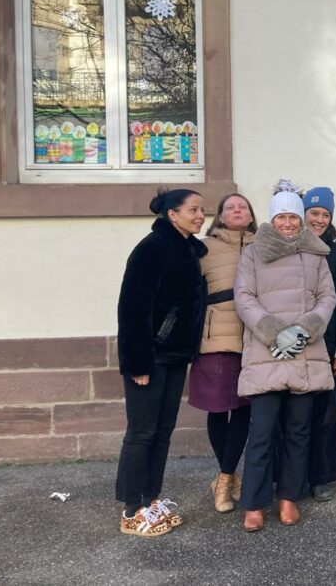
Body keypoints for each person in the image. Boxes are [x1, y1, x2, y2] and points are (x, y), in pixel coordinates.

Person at [235, 180, 336, 531]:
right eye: (282, 217)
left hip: (304, 352)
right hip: (267, 352)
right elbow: (244, 297)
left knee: (298, 430)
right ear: (272, 219)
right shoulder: (252, 252)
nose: (289, 223)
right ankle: (254, 502)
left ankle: (289, 497)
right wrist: (275, 332)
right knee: (262, 431)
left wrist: (303, 330)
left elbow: (327, 298)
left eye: (294, 217)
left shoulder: (316, 253)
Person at [115, 188, 207, 537]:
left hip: (175, 356)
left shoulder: (188, 250)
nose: (200, 215)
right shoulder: (152, 249)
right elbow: (132, 309)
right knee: (142, 432)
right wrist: (137, 362)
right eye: (193, 210)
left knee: (163, 432)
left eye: (202, 209)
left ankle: (151, 499)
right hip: (149, 358)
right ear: (172, 214)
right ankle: (130, 510)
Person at [189, 193, 257, 513]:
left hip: (254, 340)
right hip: (215, 338)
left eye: (242, 206)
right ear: (220, 216)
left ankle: (224, 479)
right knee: (218, 410)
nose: (237, 210)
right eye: (230, 207)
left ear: (251, 214)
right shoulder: (204, 247)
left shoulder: (263, 245)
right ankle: (227, 477)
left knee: (244, 410)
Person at [302, 186, 336, 502]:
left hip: (328, 342)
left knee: (323, 413)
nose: (319, 219)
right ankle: (291, 477)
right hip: (292, 344)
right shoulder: (288, 247)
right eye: (314, 212)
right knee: (293, 415)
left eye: (325, 214)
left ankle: (321, 477)